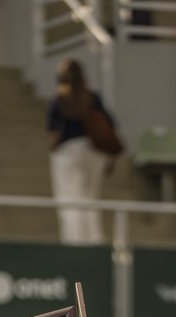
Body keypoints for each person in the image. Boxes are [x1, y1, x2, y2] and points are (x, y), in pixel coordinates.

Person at [47, 58, 120, 246]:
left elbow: (53, 133)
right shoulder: (92, 97)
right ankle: (94, 241)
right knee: (90, 199)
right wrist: (110, 158)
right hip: (94, 154)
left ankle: (74, 243)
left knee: (69, 199)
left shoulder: (59, 99)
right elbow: (110, 125)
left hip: (69, 152)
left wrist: (53, 149)